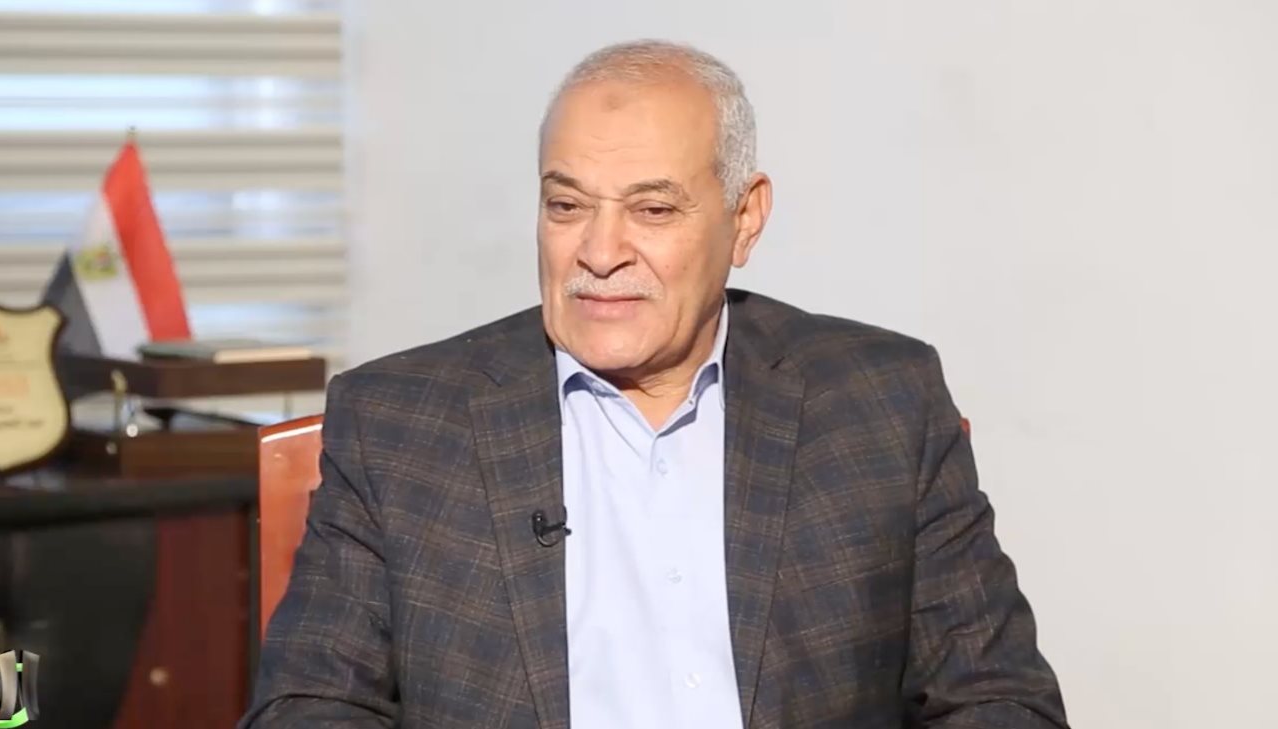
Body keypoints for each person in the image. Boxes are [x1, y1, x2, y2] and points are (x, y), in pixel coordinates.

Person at [241, 40, 1068, 729]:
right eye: (567, 206)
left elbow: (996, 698)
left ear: (744, 219)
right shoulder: (399, 426)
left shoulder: (880, 404)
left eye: (653, 210)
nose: (599, 253)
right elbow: (309, 706)